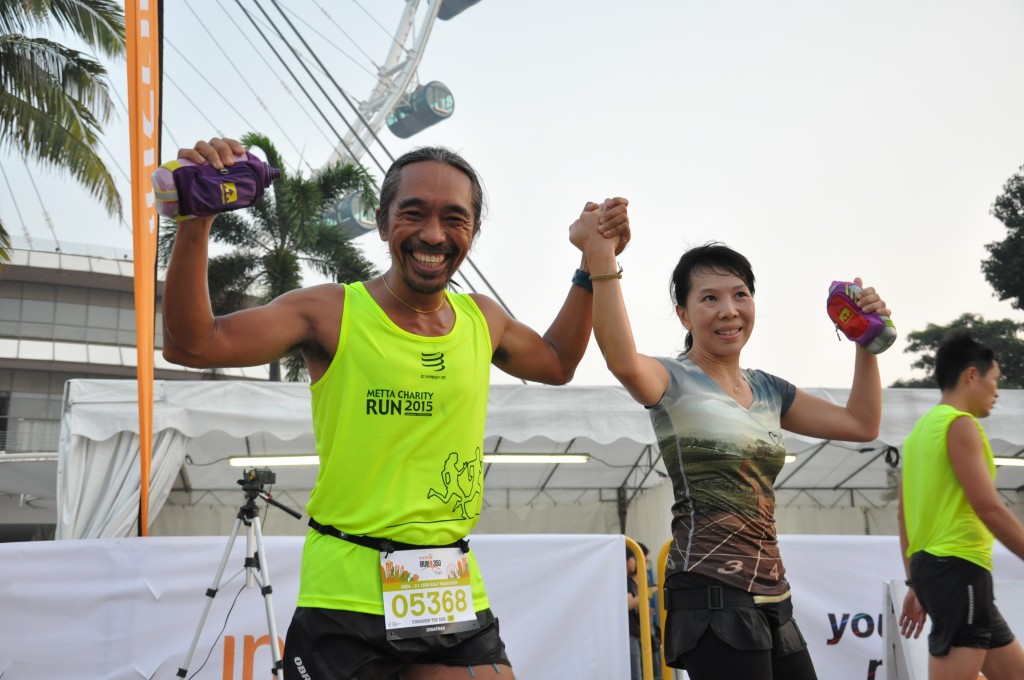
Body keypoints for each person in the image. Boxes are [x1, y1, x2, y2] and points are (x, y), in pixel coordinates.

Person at [161, 137, 630, 680]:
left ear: (472, 233)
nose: (433, 234)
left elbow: (556, 362)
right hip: (344, 594)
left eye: (455, 218)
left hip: (446, 585)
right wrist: (195, 221)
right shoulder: (330, 311)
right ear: (383, 223)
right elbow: (192, 344)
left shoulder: (483, 318)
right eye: (414, 214)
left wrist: (591, 263)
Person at [569, 220, 890, 679]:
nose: (729, 310)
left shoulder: (768, 390)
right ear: (683, 314)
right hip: (709, 590)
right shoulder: (672, 380)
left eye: (740, 295)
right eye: (709, 298)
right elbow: (621, 359)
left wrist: (867, 340)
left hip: (773, 594)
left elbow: (862, 424)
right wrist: (602, 257)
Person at [897, 332, 1024, 680]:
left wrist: (915, 583)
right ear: (972, 375)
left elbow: (903, 515)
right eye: (995, 380)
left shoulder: (919, 433)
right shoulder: (960, 425)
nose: (996, 391)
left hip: (941, 571)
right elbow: (988, 507)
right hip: (959, 569)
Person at [627, 546, 643, 680]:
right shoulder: (626, 581)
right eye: (633, 558)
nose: (635, 562)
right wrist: (646, 594)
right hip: (629, 637)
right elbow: (628, 604)